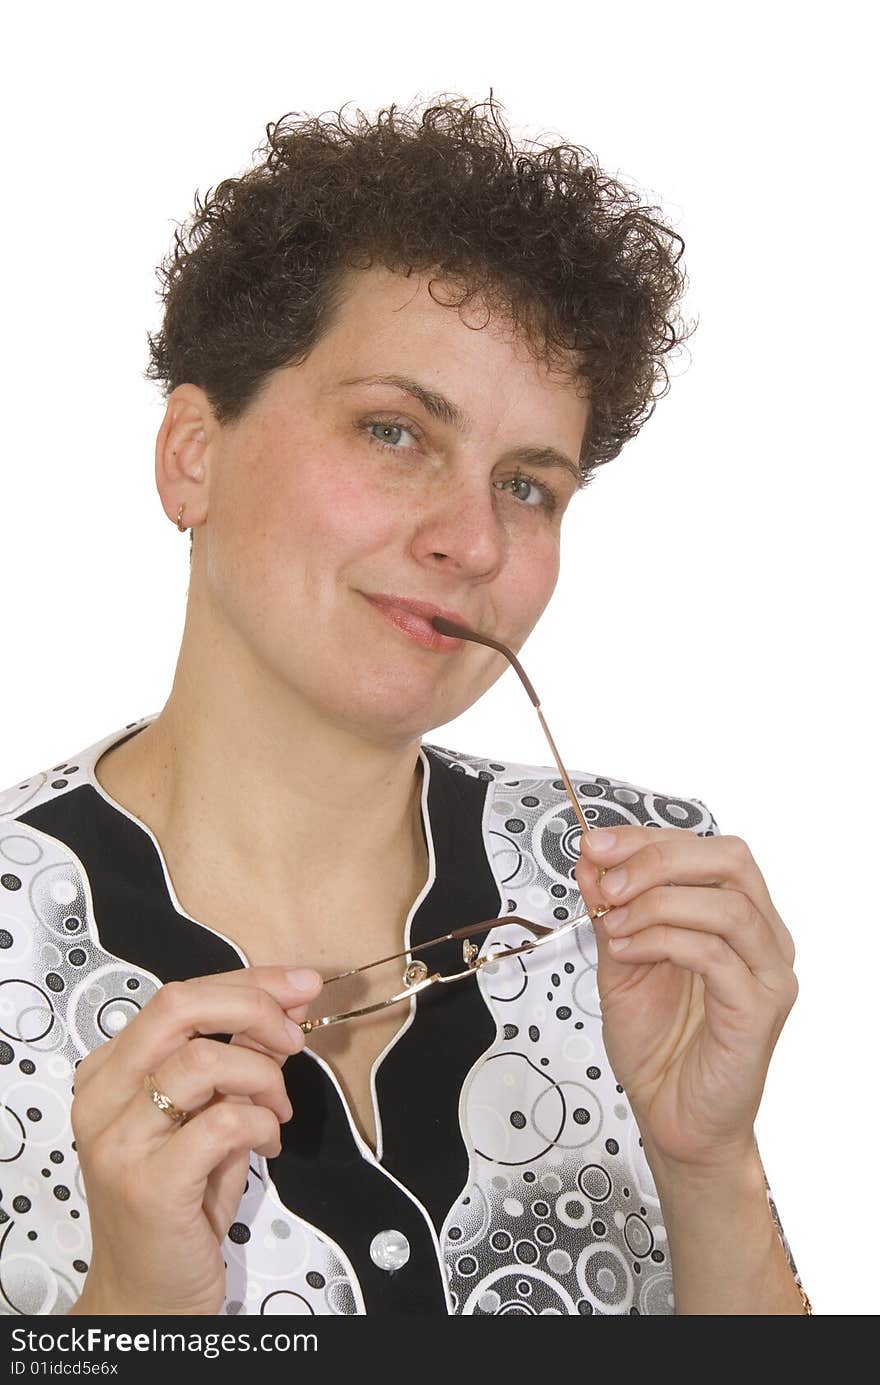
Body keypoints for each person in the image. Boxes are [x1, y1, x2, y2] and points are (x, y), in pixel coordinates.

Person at [0, 92, 809, 1316]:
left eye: (529, 486)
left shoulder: (640, 894)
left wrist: (710, 1162)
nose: (473, 538)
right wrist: (135, 1312)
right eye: (394, 430)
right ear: (192, 454)